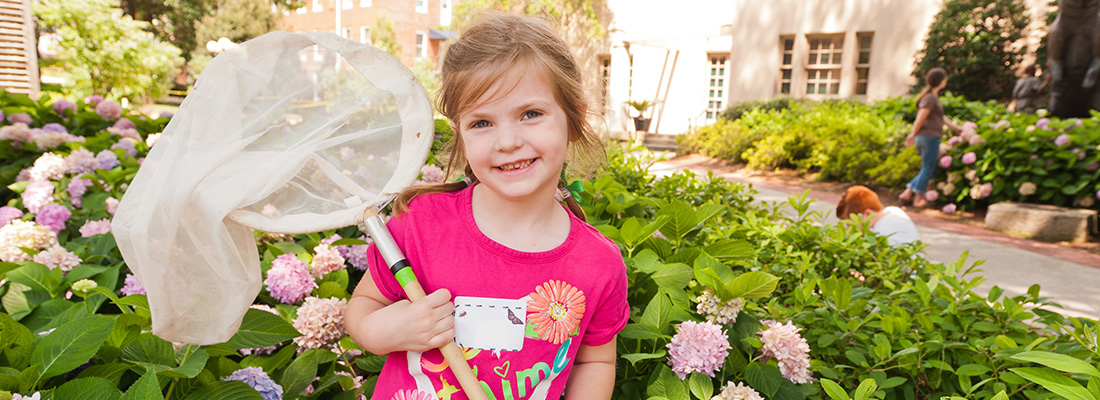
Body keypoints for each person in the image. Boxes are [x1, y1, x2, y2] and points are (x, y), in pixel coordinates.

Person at [345, 13, 628, 400]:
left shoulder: (598, 264)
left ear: (573, 119)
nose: (507, 141)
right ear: (460, 133)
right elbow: (363, 307)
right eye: (481, 123)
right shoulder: (423, 224)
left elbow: (593, 362)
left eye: (531, 114)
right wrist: (385, 332)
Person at [900, 68, 964, 208]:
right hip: (928, 137)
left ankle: (908, 191)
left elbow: (941, 117)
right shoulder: (930, 98)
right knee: (929, 168)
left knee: (929, 167)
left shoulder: (933, 97)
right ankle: (917, 198)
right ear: (941, 81)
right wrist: (913, 134)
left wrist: (958, 128)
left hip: (929, 137)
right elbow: (921, 116)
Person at [837, 185, 921, 247]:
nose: (848, 229)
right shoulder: (892, 211)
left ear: (867, 214)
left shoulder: (879, 236)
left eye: (850, 224)